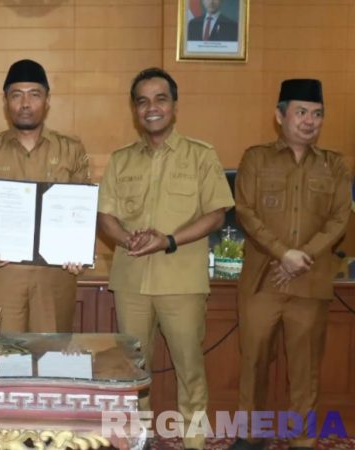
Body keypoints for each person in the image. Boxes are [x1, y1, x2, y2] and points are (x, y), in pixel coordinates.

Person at [97, 67, 234, 450]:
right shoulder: (122, 160)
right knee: (132, 372)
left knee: (190, 369)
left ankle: (193, 443)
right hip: (131, 279)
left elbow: (217, 213)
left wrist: (168, 240)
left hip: (181, 281)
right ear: (134, 110)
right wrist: (128, 239)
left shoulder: (201, 156)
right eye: (142, 101)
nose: (151, 108)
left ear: (174, 106)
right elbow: (104, 215)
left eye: (160, 99)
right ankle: (138, 441)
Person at [228, 79, 350, 450]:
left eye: (317, 114)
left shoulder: (334, 166)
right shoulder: (255, 158)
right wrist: (284, 253)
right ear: (279, 116)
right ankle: (251, 435)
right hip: (263, 281)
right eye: (301, 112)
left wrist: (301, 257)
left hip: (310, 284)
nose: (309, 121)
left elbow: (340, 218)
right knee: (253, 363)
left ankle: (303, 439)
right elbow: (246, 212)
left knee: (305, 370)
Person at [0, 59, 90, 333]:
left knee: (51, 356)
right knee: (5, 354)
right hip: (3, 272)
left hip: (56, 273)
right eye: (16, 95)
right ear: (6, 101)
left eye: (34, 94)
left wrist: (76, 250)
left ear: (47, 101)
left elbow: (83, 213)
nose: (25, 103)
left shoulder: (71, 150)